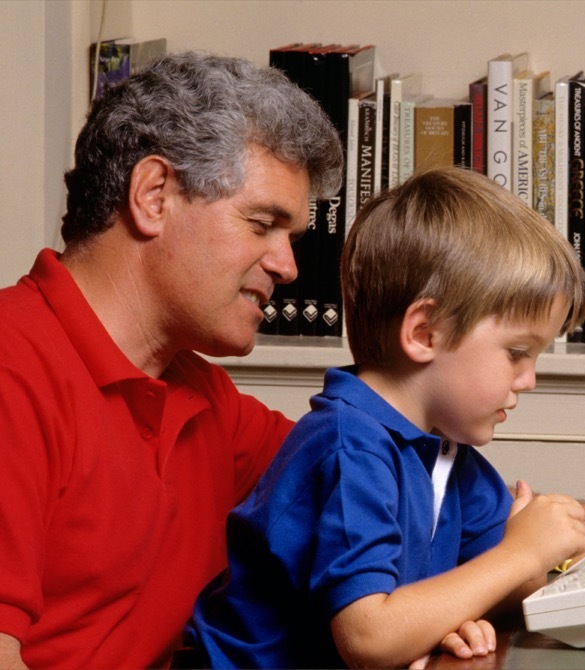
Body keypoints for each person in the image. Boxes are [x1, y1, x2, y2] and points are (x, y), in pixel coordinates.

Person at [185, 167, 585, 669]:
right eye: (516, 353)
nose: (528, 379)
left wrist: (476, 593)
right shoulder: (350, 449)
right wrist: (517, 556)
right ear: (424, 332)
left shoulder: (441, 452)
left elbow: (497, 575)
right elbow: (369, 636)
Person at [0, 52, 345, 670]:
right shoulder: (12, 369)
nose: (287, 267)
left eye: (290, 240)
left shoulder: (207, 403)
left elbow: (383, 484)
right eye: (263, 224)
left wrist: (560, 536)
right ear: (154, 195)